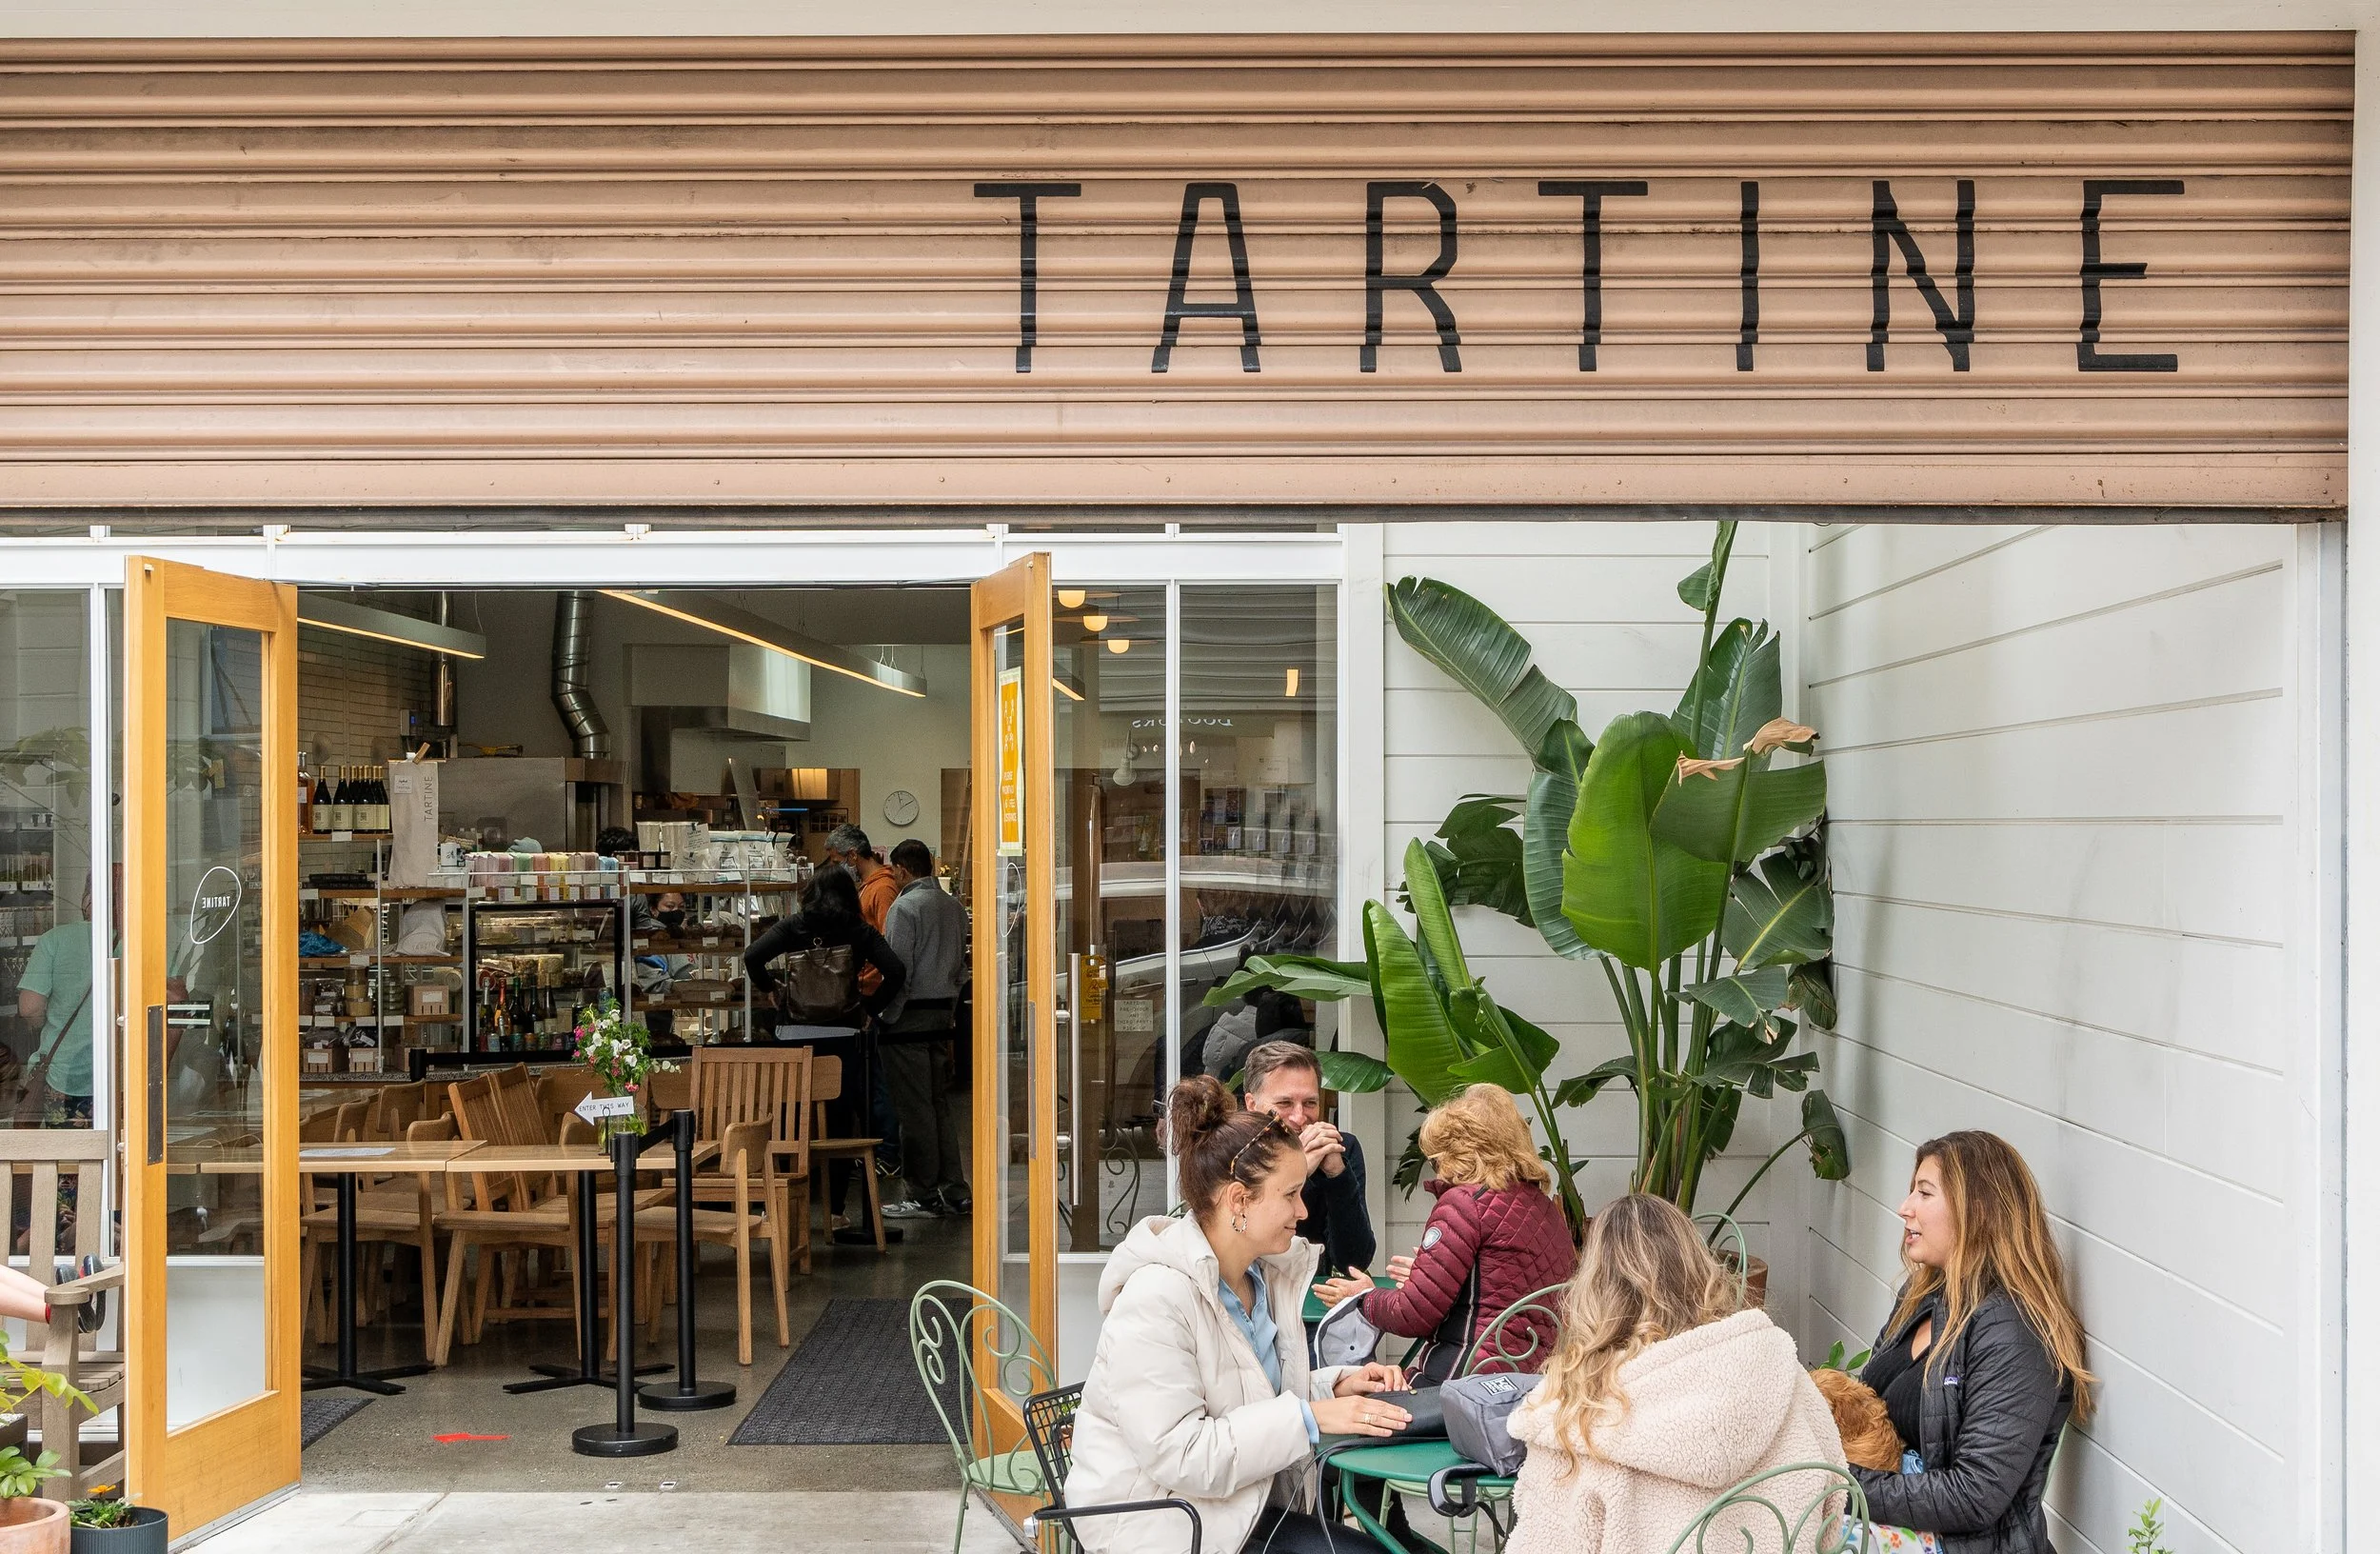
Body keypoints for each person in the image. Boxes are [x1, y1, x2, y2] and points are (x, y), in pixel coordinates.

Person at [1065, 1076, 1412, 1554]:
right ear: (1238, 1201)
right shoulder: (1156, 1298)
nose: (1304, 1209)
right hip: (1163, 1524)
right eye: (1290, 1194)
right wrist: (1312, 1416)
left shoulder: (1259, 1278)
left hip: (1233, 1510)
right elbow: (1183, 1454)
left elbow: (1245, 1397)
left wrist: (1330, 1387)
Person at [1503, 1194, 1844, 1554]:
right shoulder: (1780, 1370)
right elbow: (1834, 1504)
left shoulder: (1578, 1418)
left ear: (1594, 1289)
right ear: (1700, 1268)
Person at [1851, 1132, 2093, 1554]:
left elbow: (1974, 1494)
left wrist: (1842, 1483)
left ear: (1977, 1211)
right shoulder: (1922, 1295)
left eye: (1924, 1193)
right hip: (1893, 1519)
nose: (1904, 1207)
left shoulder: (2014, 1327)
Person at [1313, 1083, 1576, 1384]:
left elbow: (1412, 1314)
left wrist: (1364, 1297)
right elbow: (1502, 1288)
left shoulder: (1465, 1203)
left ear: (1457, 1150)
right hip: (1531, 1382)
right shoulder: (1543, 1208)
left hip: (1465, 1383)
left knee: (1350, 1406)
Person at [744, 862, 904, 1229]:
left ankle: (777, 1206)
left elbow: (752, 956)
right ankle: (834, 1212)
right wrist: (870, 1010)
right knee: (839, 1125)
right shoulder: (856, 930)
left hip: (794, 1037)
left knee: (786, 1121)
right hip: (843, 1038)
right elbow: (896, 970)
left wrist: (771, 989)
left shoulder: (793, 927)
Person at [876, 840, 971, 1221]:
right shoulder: (953, 907)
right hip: (941, 1014)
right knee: (938, 1105)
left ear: (901, 870)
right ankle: (955, 1189)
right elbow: (961, 968)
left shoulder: (904, 908)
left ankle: (922, 1193)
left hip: (908, 1016)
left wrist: (885, 1014)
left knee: (914, 1110)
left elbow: (899, 970)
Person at [1240, 1040, 1375, 1278]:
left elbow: (1354, 1261)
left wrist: (1338, 1176)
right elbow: (1247, 1247)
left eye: (1310, 1103)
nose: (1300, 1117)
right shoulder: (1230, 1150)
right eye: (1285, 1103)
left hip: (1312, 1299)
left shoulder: (1340, 1148)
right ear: (1252, 1104)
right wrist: (1296, 1173)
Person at [16, 879, 98, 1128]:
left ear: (86, 899)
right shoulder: (139, 942)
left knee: (67, 1156)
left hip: (63, 1074)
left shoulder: (54, 940)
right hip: (124, 1074)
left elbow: (29, 1007)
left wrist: (43, 1022)